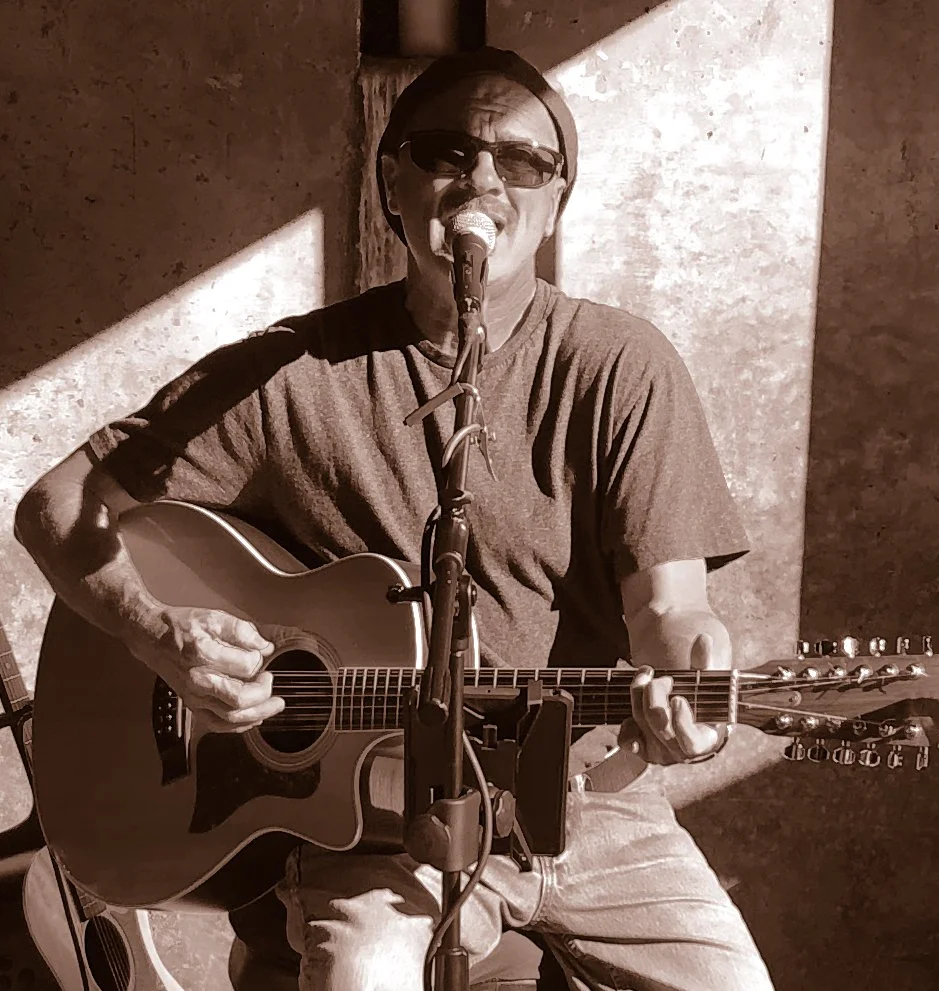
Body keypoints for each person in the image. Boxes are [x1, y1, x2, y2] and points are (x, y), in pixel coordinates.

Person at [14, 46, 775, 991]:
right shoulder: (292, 373)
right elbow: (54, 504)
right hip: (377, 822)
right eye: (446, 151)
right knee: (361, 975)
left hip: (591, 805)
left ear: (558, 194)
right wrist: (162, 633)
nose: (484, 180)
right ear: (392, 180)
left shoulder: (618, 365)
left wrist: (689, 679)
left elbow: (669, 607)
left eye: (524, 161)